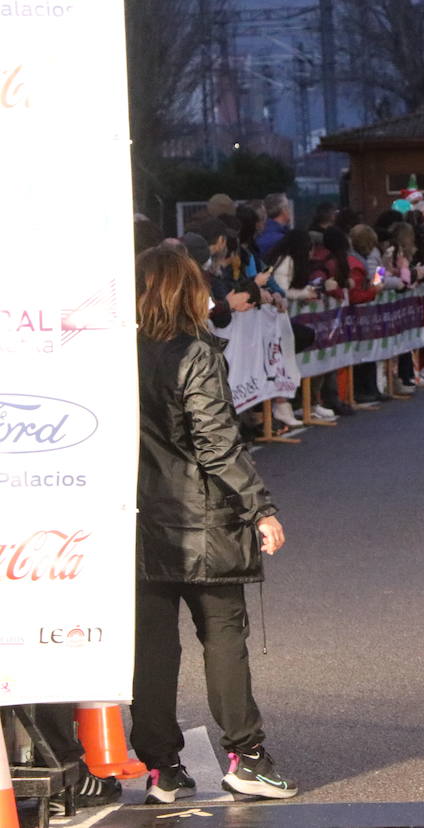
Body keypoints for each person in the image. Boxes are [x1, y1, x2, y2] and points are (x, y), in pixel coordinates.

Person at [131, 246, 298, 803]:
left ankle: (162, 769)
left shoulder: (122, 352)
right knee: (223, 638)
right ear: (185, 291)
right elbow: (217, 442)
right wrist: (260, 507)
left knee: (152, 649)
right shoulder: (196, 352)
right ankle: (247, 756)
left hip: (138, 517)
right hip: (204, 517)